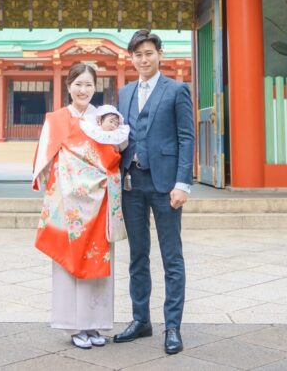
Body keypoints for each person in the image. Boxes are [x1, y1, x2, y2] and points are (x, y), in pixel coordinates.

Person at [32, 63, 128, 350]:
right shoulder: (56, 119)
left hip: (98, 201)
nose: (83, 90)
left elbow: (117, 150)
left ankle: (94, 323)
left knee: (98, 258)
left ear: (95, 87)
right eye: (78, 84)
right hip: (69, 204)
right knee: (68, 263)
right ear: (68, 86)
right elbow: (45, 162)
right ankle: (73, 325)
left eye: (88, 85)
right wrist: (64, 180)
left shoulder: (104, 119)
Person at [113, 29, 194, 355]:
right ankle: (140, 320)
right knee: (137, 255)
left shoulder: (176, 90)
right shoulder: (124, 93)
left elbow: (186, 137)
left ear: (160, 54)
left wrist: (182, 183)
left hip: (165, 185)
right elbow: (120, 135)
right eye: (138, 55)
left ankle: (172, 326)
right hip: (131, 183)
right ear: (131, 59)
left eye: (149, 53)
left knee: (171, 256)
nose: (143, 59)